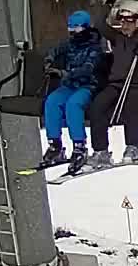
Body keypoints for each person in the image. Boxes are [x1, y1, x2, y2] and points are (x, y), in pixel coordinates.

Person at [90, 0, 138, 167]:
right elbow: (99, 23)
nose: (125, 25)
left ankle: (133, 147)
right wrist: (109, 3)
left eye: (130, 21)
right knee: (98, 105)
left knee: (130, 102)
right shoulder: (117, 38)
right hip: (116, 85)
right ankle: (101, 150)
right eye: (122, 21)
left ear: (137, 21)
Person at [41, 10, 103, 167]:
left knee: (73, 105)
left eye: (76, 28)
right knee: (52, 102)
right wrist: (49, 60)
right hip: (69, 85)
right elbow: (56, 50)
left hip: (87, 85)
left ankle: (79, 146)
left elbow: (88, 68)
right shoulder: (70, 44)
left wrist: (64, 73)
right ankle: (55, 144)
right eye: (70, 28)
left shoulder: (94, 47)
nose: (73, 32)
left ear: (85, 28)